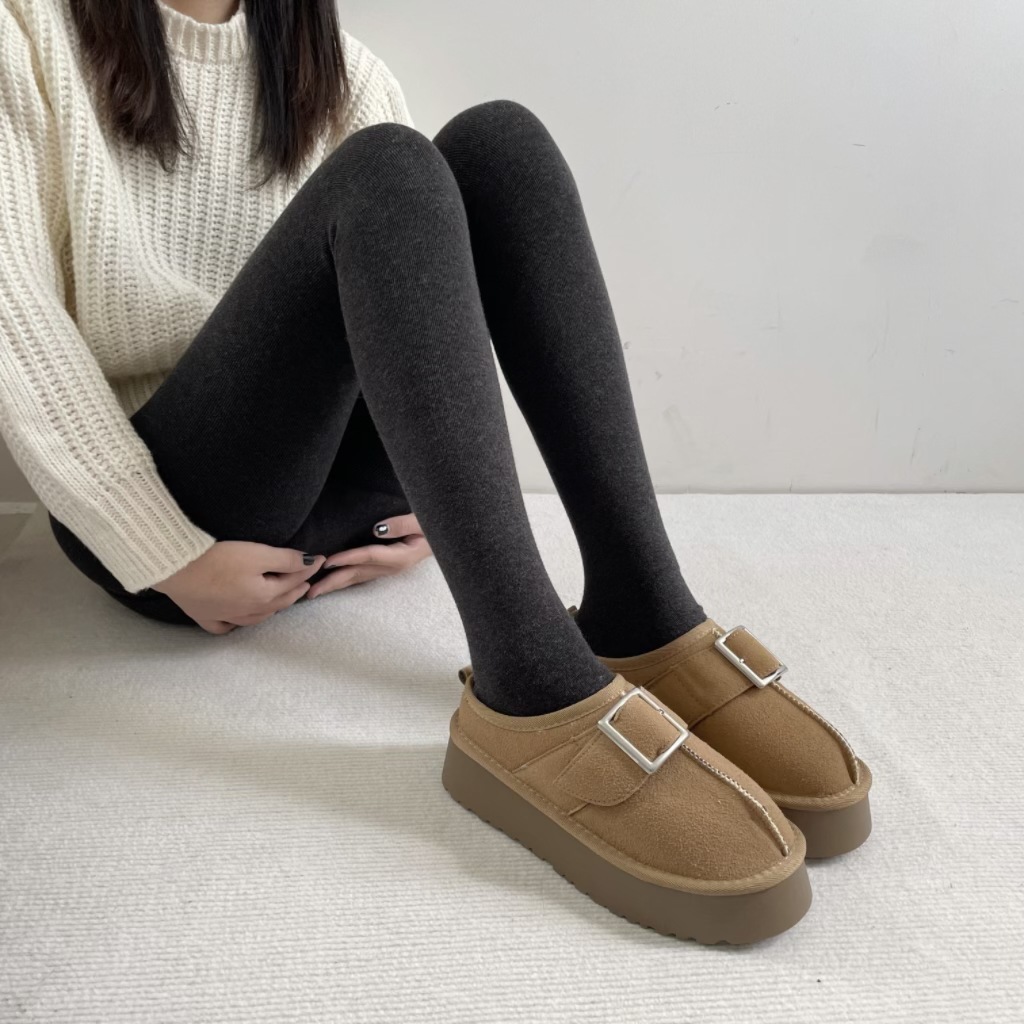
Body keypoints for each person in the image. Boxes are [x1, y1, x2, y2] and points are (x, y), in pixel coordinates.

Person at [0, 0, 872, 944]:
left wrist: (429, 496)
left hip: (334, 497)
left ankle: (644, 611)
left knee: (498, 147)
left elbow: (415, 299)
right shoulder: (26, 33)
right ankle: (529, 686)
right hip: (179, 503)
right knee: (387, 170)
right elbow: (16, 322)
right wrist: (161, 547)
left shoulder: (333, 65)